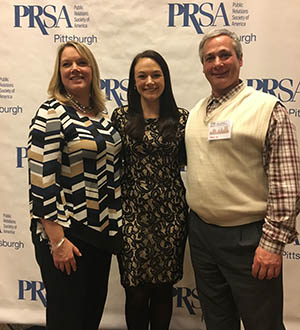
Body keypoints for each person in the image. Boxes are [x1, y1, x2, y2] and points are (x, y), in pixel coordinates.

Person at [185, 28, 300, 330]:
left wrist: (272, 244)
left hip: (249, 239)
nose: (218, 63)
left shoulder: (266, 109)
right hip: (202, 235)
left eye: (225, 55)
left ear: (240, 59)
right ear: (203, 66)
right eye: (210, 58)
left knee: (262, 323)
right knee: (217, 320)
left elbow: (287, 185)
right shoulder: (196, 112)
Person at [28, 41, 122, 330]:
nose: (75, 69)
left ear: (92, 70)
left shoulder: (102, 118)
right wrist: (57, 241)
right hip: (67, 235)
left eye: (81, 63)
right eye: (67, 64)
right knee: (67, 318)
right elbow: (41, 180)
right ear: (59, 72)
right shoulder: (51, 112)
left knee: (90, 316)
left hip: (100, 234)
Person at [111, 50, 188, 330]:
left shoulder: (181, 118)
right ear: (133, 82)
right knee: (135, 292)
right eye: (142, 75)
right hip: (131, 215)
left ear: (165, 78)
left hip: (171, 217)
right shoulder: (120, 117)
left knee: (163, 291)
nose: (149, 81)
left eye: (156, 74)